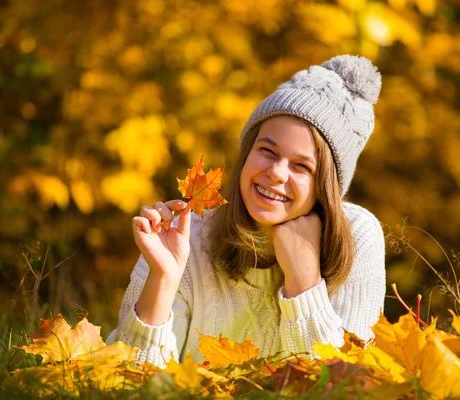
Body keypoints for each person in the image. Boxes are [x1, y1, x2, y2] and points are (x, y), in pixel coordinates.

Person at [107, 55, 387, 367]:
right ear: (246, 154)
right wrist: (163, 276)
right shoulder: (184, 238)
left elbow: (344, 386)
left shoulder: (358, 236)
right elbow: (127, 381)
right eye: (267, 151)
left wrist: (304, 281)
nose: (277, 173)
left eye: (302, 166)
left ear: (327, 186)